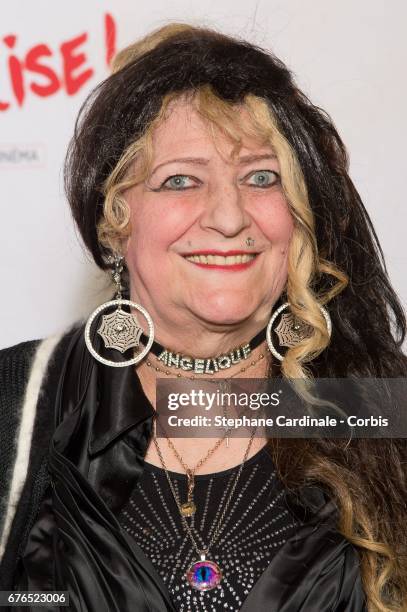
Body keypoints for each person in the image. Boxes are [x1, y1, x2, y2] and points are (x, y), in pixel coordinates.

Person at [0, 22, 406, 612]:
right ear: (116, 222)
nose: (228, 217)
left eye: (261, 177)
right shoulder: (17, 403)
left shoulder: (381, 409)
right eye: (181, 180)